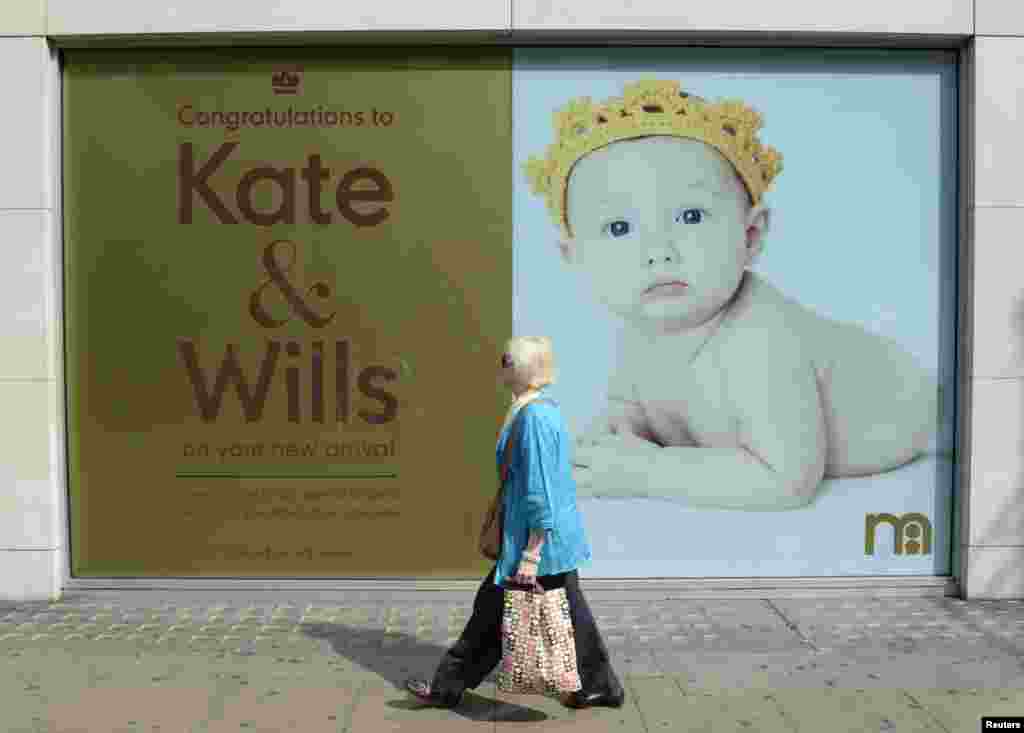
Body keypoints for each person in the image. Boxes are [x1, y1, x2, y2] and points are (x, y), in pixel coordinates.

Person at [523, 78, 938, 511]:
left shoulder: (760, 341)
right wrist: (615, 438)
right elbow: (633, 405)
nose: (658, 252)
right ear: (574, 255)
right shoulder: (644, 327)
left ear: (751, 235)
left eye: (690, 215)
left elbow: (785, 480)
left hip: (900, 400)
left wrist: (644, 471)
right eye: (619, 228)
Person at [404, 336, 625, 710]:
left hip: (536, 543)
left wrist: (531, 554)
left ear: (522, 367)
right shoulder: (536, 409)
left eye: (507, 358)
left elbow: (539, 489)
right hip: (542, 540)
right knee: (558, 613)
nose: (501, 363)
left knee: (490, 614)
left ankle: (447, 687)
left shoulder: (535, 417)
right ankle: (601, 685)